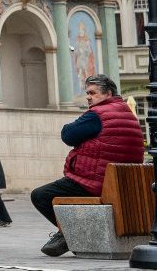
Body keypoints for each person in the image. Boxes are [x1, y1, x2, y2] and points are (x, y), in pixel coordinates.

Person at [33, 74, 144, 258]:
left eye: (92, 93)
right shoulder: (127, 113)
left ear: (108, 93)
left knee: (40, 195)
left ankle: (69, 235)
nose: (88, 97)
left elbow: (68, 135)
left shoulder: (97, 115)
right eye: (87, 93)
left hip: (95, 183)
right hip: (120, 183)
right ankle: (68, 234)